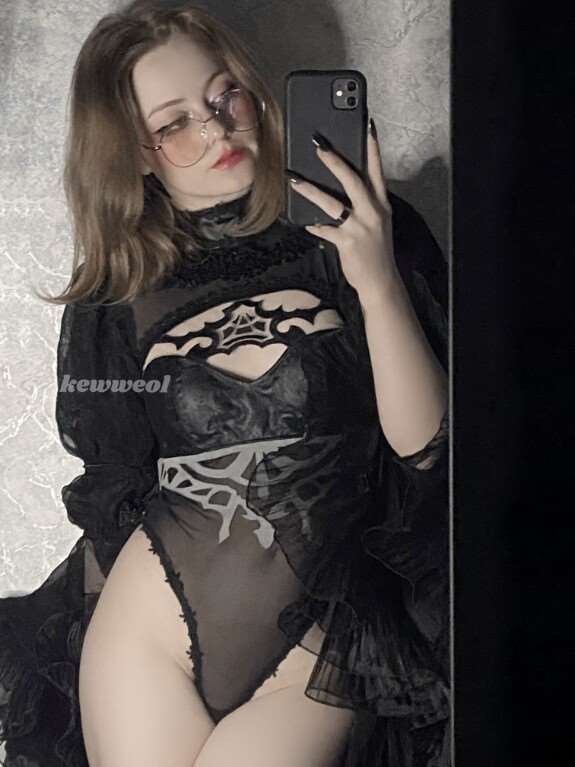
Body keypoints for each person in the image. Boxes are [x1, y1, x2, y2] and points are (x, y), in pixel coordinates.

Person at [0, 2, 450, 766]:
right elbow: (117, 479)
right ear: (136, 152)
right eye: (174, 123)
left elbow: (427, 450)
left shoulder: (362, 231)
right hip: (149, 629)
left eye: (224, 95)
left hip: (321, 632)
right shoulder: (115, 297)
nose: (215, 130)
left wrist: (374, 277)